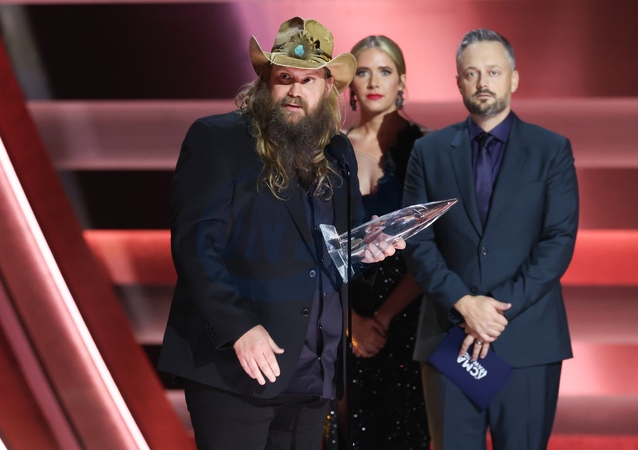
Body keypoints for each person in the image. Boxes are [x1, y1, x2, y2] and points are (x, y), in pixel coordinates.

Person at [157, 16, 403, 450]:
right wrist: (239, 328)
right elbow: (196, 246)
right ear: (264, 82)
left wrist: (368, 249)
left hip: (313, 372)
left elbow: (339, 250)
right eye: (284, 78)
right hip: (238, 369)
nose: (295, 90)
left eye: (308, 80)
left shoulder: (338, 152)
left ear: (327, 87)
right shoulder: (218, 138)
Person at [402, 29, 579, 449]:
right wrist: (464, 304)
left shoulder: (551, 150)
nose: (483, 82)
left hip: (528, 342)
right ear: (458, 82)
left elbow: (557, 241)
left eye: (493, 72)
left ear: (513, 79)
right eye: (472, 73)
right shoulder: (428, 152)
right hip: (450, 336)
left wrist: (495, 312)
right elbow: (417, 241)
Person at [325, 35, 430, 450]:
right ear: (350, 85)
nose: (373, 82)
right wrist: (351, 323)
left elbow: (436, 245)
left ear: (401, 81)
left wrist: (383, 319)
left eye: (384, 71)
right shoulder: (329, 151)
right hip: (342, 314)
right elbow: (317, 244)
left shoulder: (428, 148)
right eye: (364, 72)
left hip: (410, 315)